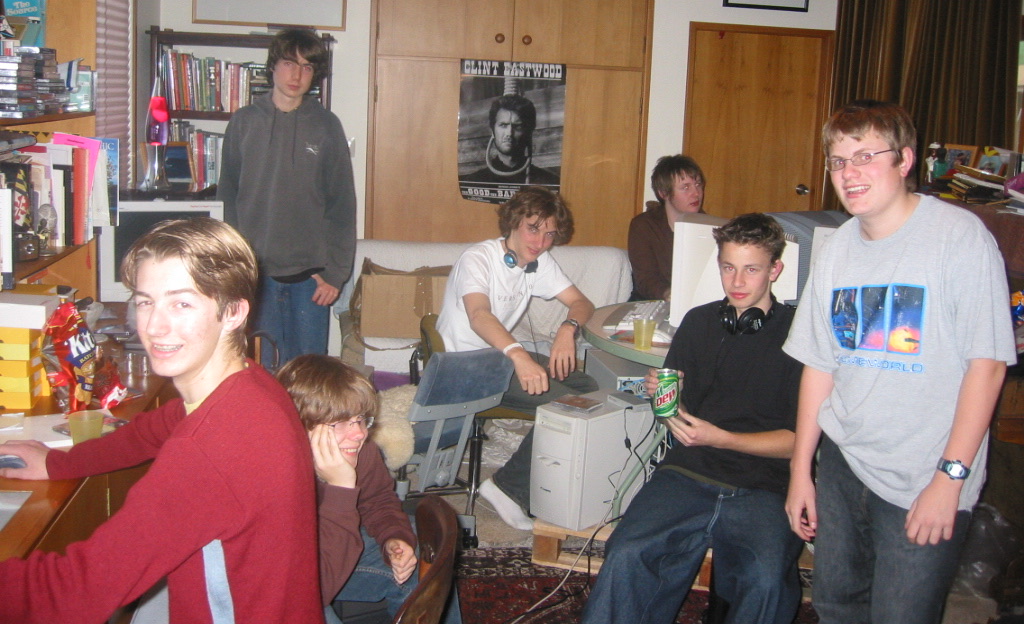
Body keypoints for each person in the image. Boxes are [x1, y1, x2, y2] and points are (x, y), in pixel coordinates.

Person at [0, 217, 322, 624]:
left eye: (181, 303)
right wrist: (57, 463)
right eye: (145, 301)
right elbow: (153, 429)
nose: (153, 326)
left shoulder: (212, 447)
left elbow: (75, 592)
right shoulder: (249, 385)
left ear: (234, 312)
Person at [783, 100, 1015, 624]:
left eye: (866, 156)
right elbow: (820, 365)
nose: (850, 173)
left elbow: (988, 367)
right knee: (838, 606)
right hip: (844, 466)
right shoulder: (837, 248)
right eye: (839, 161)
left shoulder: (959, 239)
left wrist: (948, 481)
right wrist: (801, 471)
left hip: (924, 472)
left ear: (905, 160)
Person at [581, 212, 804, 624]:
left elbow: (799, 440)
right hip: (689, 471)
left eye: (751, 269)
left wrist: (720, 438)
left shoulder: (800, 335)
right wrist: (665, 402)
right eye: (728, 267)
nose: (736, 282)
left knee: (767, 579)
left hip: (766, 485)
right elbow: (673, 418)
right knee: (628, 551)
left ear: (775, 270)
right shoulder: (699, 321)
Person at [435, 186, 597, 530]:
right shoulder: (477, 259)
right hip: (462, 366)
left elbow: (582, 304)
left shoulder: (538, 263)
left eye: (549, 233)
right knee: (567, 406)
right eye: (533, 228)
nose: (540, 242)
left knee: (589, 389)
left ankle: (558, 474)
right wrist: (518, 355)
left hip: (497, 358)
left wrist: (567, 330)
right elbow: (479, 315)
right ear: (513, 223)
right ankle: (506, 488)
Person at [276, 355, 462, 624]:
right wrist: (340, 487)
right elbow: (312, 591)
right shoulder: (274, 473)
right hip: (295, 582)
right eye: (339, 423)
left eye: (361, 419)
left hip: (336, 544)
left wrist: (394, 538)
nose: (359, 433)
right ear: (298, 424)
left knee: (425, 562)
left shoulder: (359, 448)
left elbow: (378, 500)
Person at [218, 27, 356, 367]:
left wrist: (336, 274)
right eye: (289, 63)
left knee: (308, 377)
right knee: (259, 375)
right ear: (273, 67)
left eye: (307, 67)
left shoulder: (326, 126)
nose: (297, 75)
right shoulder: (244, 123)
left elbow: (342, 206)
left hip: (311, 280)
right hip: (254, 278)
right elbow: (227, 201)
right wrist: (231, 272)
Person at [628, 154, 706, 300]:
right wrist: (669, 294)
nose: (696, 193)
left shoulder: (710, 227)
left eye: (698, 184)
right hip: (650, 300)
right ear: (664, 193)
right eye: (685, 187)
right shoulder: (643, 226)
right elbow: (646, 279)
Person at [462, 94, 559, 186]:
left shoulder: (548, 181)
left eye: (517, 127)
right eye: (503, 125)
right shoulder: (475, 181)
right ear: (493, 129)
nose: (509, 133)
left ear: (529, 131)